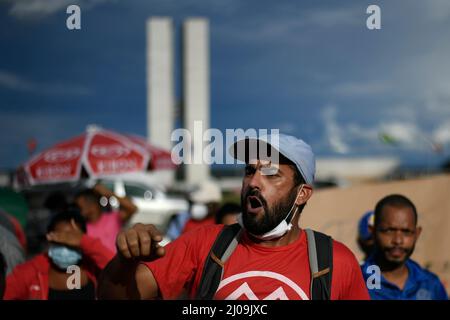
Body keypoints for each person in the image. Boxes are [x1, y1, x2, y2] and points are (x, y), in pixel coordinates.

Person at [98, 133, 369, 300]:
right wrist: (124, 262)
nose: (253, 182)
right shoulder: (204, 244)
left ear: (302, 194)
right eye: (249, 171)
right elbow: (114, 296)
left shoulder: (336, 261)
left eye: (271, 173)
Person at [4, 210, 114, 300]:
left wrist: (84, 241)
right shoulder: (31, 271)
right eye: (60, 240)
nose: (66, 246)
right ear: (50, 239)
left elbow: (115, 267)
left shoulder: (92, 267)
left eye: (71, 241)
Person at [361, 194, 448, 300]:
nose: (398, 240)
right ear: (373, 232)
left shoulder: (430, 284)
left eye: (406, 232)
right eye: (389, 231)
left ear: (417, 234)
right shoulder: (356, 282)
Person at [75, 183, 138, 253]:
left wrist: (109, 193)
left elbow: (133, 208)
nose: (77, 210)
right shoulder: (82, 227)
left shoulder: (113, 218)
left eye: (79, 207)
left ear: (90, 205)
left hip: (119, 263)